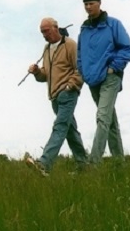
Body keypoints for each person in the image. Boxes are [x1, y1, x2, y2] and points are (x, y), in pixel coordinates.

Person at [24, 17, 87, 176]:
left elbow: (81, 68)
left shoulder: (70, 45)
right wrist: (37, 72)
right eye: (42, 32)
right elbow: (46, 75)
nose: (44, 35)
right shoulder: (47, 49)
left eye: (47, 31)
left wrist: (71, 85)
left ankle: (44, 163)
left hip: (67, 94)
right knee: (70, 131)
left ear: (56, 28)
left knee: (59, 127)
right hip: (54, 97)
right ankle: (85, 166)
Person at [77, 0, 130, 165]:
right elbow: (80, 54)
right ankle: (119, 163)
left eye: (91, 3)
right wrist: (83, 72)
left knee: (102, 117)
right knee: (110, 122)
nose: (88, 7)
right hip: (92, 80)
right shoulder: (84, 29)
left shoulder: (113, 24)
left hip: (110, 78)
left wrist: (113, 67)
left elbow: (127, 49)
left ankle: (93, 164)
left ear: (99, 3)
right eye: (85, 4)